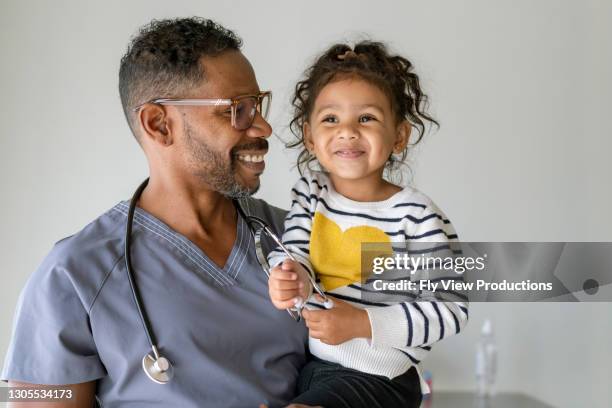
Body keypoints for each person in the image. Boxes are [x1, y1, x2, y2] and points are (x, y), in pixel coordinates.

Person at [2, 17, 315, 408]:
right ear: (159, 124)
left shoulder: (302, 235)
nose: (264, 127)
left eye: (258, 106)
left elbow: (396, 329)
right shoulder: (73, 276)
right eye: (237, 110)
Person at [267, 41, 469, 407]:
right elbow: (293, 254)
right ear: (310, 137)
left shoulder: (417, 216)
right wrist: (287, 275)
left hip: (381, 376)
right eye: (331, 119)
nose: (347, 131)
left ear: (399, 137)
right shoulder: (311, 194)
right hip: (317, 365)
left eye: (366, 118)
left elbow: (451, 308)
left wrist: (363, 323)